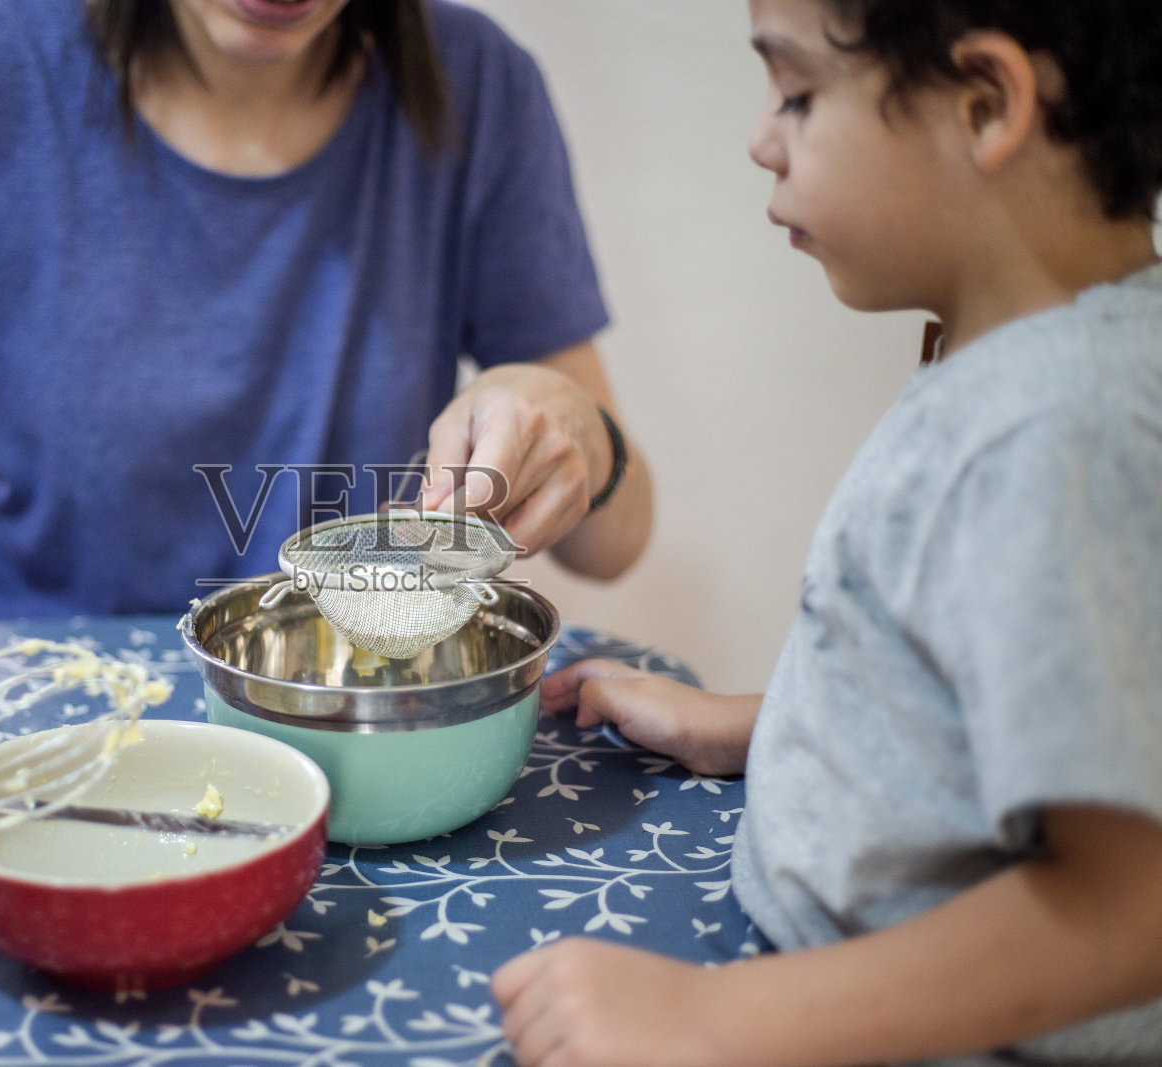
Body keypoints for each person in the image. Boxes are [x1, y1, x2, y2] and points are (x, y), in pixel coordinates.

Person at [493, 0, 1162, 1063]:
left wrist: (716, 1019)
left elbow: (1126, 906)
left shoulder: (1055, 430)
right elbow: (993, 714)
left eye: (797, 95)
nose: (761, 140)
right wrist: (757, 723)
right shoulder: (1026, 366)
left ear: (987, 104)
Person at [0, 0, 653, 687]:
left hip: (341, 718)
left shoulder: (476, 87)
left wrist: (582, 433)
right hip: (1, 717)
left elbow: (616, 538)